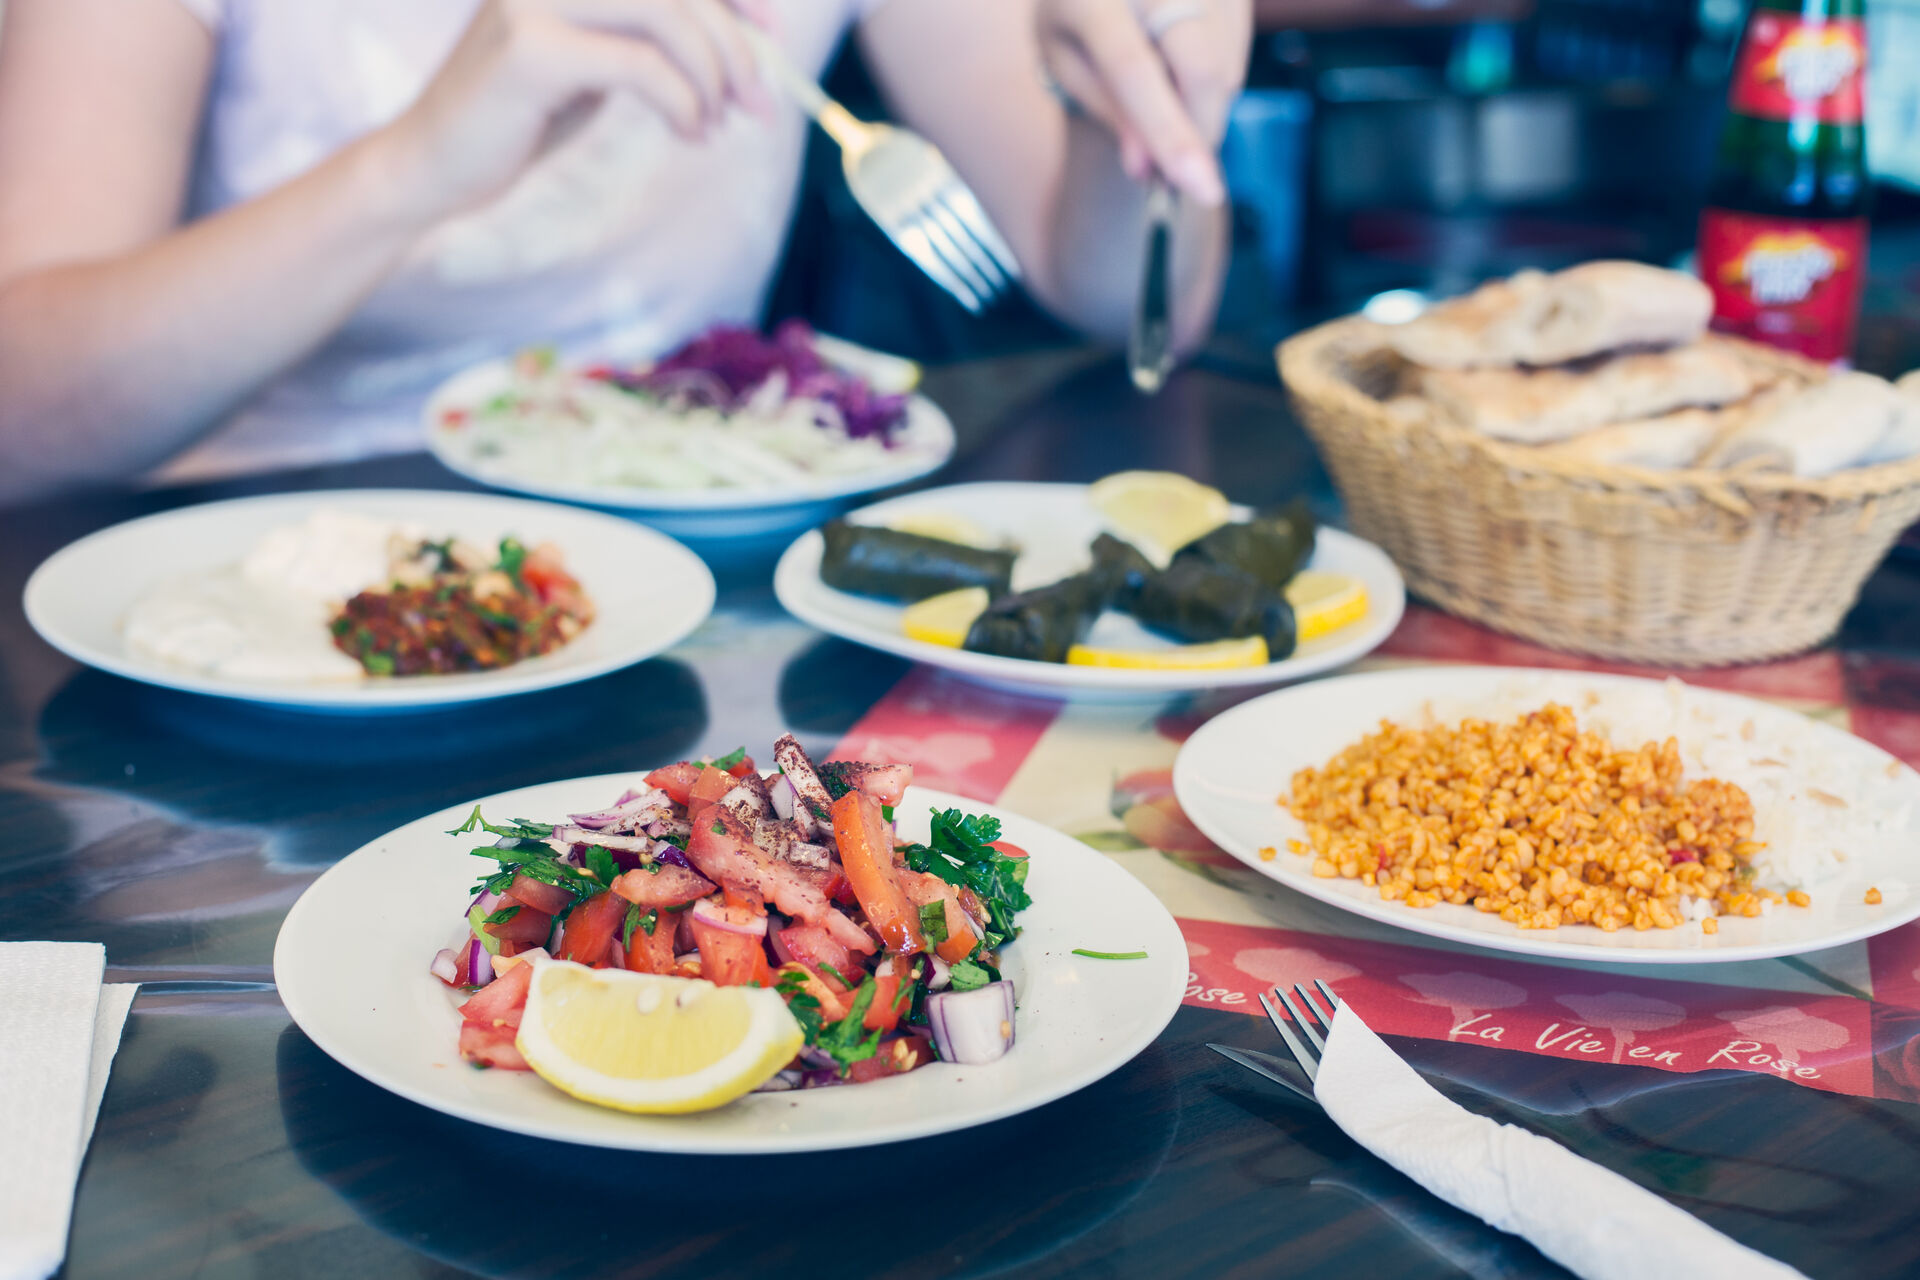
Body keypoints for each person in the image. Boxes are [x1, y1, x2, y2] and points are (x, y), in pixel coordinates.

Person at [0, 0, 1251, 501]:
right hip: (232, 591)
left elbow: (1129, 298)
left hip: (696, 592)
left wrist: (1135, 104)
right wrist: (417, 164)